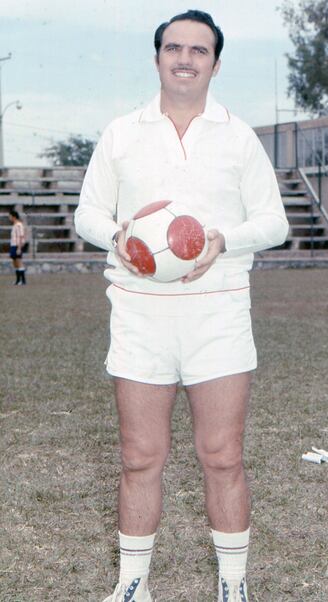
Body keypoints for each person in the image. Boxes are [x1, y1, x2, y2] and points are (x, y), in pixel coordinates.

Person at [75, 9, 289, 602]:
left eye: (199, 50)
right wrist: (118, 236)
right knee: (140, 455)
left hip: (217, 313)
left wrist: (224, 239)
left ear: (215, 63)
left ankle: (233, 586)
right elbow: (86, 213)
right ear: (157, 58)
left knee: (221, 455)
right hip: (140, 311)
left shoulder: (238, 135)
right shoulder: (122, 132)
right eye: (174, 48)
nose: (185, 58)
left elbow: (274, 221)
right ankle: (133, 585)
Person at [8, 208, 27, 285]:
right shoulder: (14, 225)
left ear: (14, 217)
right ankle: (18, 280)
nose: (9, 218)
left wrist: (19, 248)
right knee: (15, 262)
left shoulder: (19, 225)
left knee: (19, 262)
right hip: (13, 245)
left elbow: (21, 236)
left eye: (10, 217)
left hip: (17, 245)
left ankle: (23, 280)